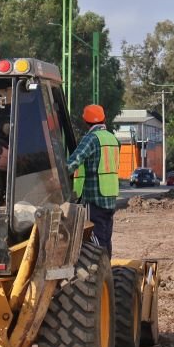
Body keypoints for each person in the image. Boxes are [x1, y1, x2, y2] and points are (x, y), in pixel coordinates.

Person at [67, 104, 120, 257]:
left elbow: (74, 161)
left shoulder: (91, 139)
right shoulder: (113, 139)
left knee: (95, 239)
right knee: (105, 238)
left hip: (94, 198)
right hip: (110, 197)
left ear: (86, 122)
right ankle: (106, 272)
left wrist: (57, 175)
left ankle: (99, 273)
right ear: (104, 119)